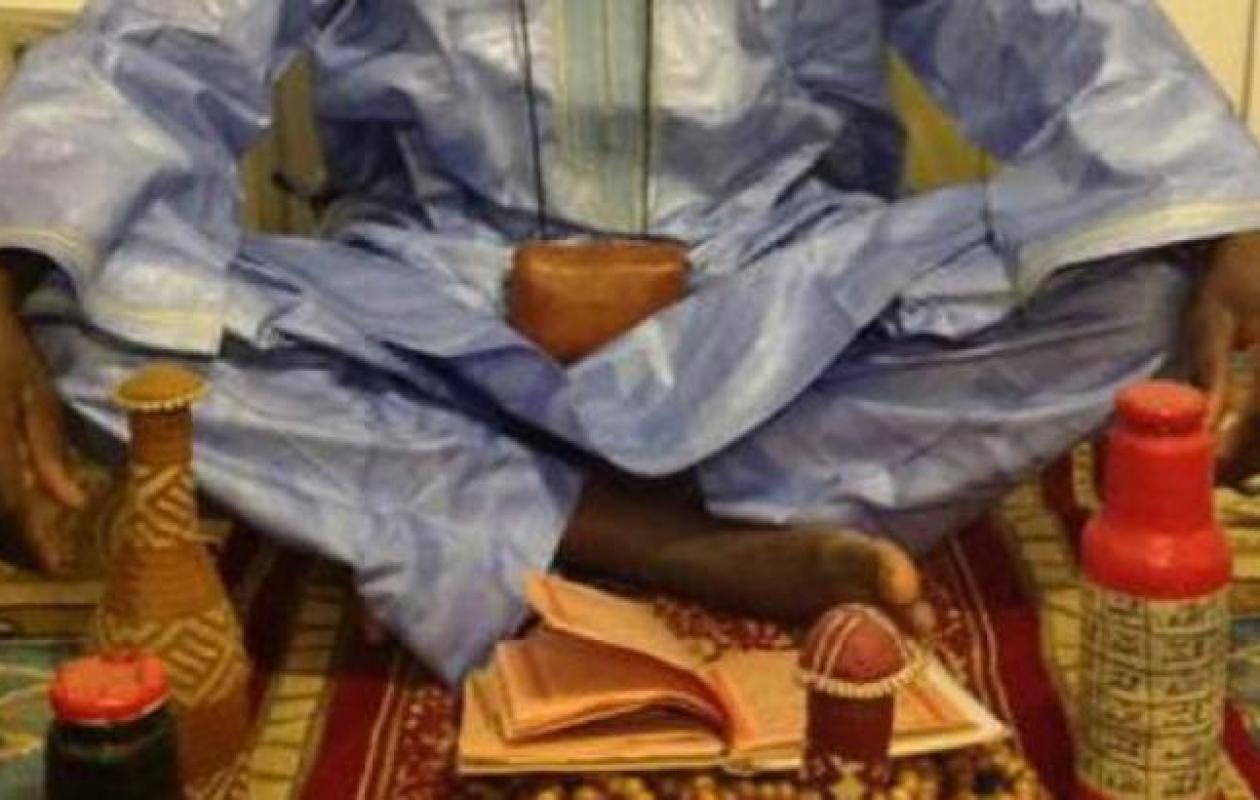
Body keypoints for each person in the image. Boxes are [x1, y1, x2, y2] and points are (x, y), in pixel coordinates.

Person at [2, 0, 1260, 682]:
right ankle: (678, 541)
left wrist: (1231, 221)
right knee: (86, 321)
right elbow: (151, 49)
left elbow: (1064, 27)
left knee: (1141, 290)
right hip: (444, 306)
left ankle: (480, 523)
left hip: (778, 300)